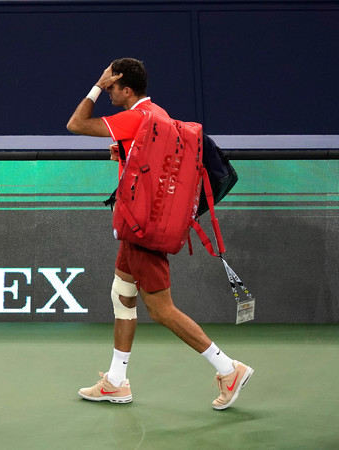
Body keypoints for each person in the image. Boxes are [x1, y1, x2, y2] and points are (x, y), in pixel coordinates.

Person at [66, 58, 253, 410]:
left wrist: (95, 83)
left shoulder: (135, 116)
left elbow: (76, 124)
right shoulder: (158, 115)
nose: (108, 93)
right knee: (122, 293)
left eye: (111, 87)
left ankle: (229, 369)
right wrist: (123, 152)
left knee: (161, 308)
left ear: (126, 88)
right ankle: (117, 382)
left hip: (142, 226)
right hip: (144, 220)